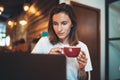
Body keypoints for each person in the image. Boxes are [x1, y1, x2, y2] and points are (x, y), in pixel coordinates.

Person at [31, 3, 93, 80]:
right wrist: (47, 59)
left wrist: (82, 69)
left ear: (72, 24)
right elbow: (30, 71)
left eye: (64, 23)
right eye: (55, 24)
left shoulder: (82, 47)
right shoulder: (43, 42)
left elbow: (83, 79)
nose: (59, 29)